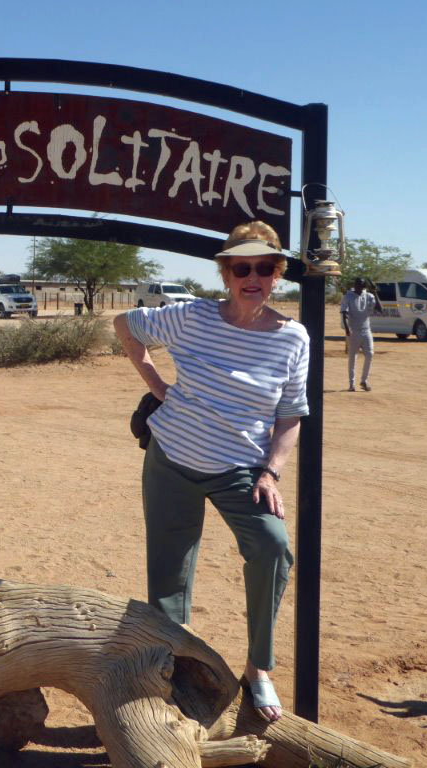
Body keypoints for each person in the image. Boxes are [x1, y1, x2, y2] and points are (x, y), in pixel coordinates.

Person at [113, 220, 310, 724]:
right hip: (172, 459)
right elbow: (124, 324)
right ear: (226, 273)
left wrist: (272, 472)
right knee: (169, 572)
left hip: (241, 468)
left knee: (272, 548)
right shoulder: (190, 316)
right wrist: (156, 383)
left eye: (264, 268)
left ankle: (258, 669)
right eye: (241, 267)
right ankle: (169, 668)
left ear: (276, 274)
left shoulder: (292, 338)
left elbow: (290, 414)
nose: (253, 277)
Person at [340, 277, 382, 391]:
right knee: (352, 357)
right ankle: (351, 384)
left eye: (362, 286)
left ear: (364, 287)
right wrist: (347, 329)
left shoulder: (369, 296)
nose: (359, 287)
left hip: (366, 330)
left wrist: (375, 292)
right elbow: (344, 313)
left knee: (370, 354)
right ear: (355, 285)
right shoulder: (348, 296)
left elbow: (380, 309)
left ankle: (364, 381)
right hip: (354, 331)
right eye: (357, 285)